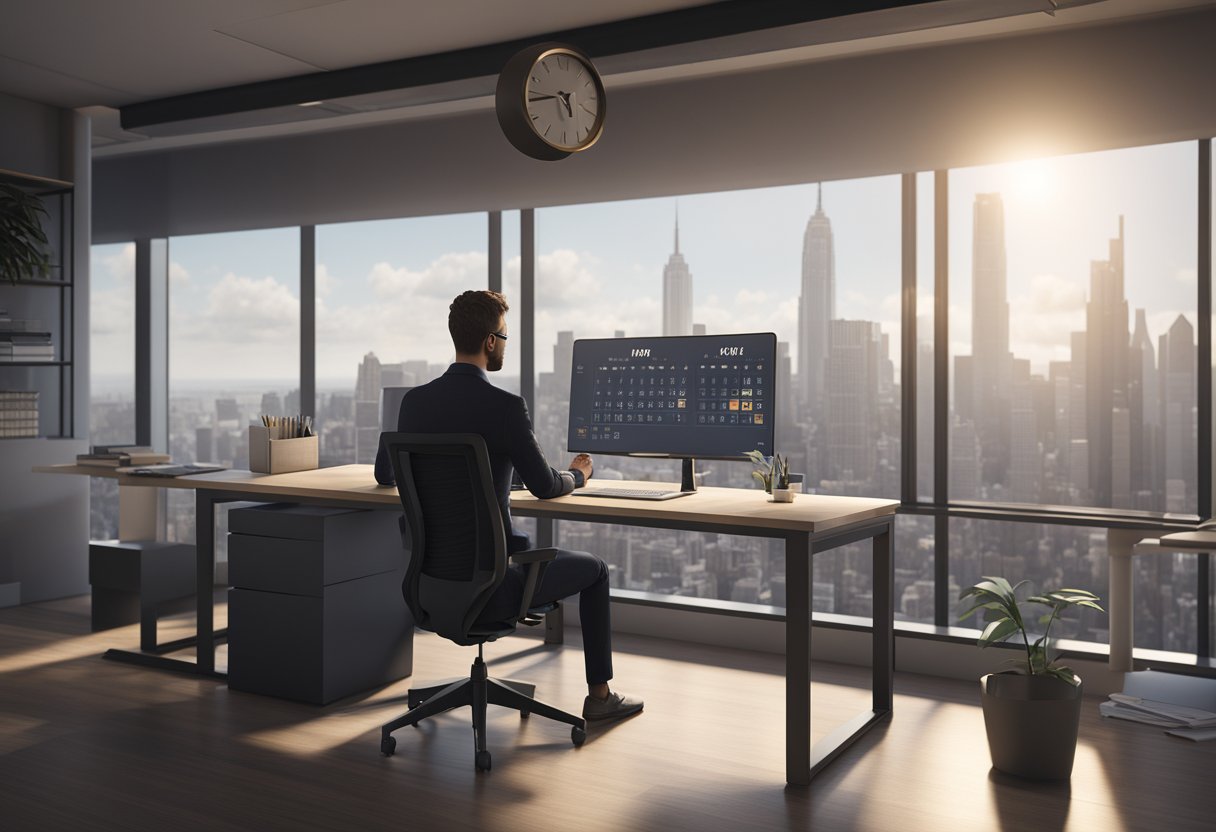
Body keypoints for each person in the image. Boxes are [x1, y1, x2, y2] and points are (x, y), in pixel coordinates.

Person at [374, 289, 643, 722]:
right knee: (595, 569)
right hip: (493, 587)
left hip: (431, 584)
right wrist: (579, 475)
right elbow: (545, 485)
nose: (504, 344)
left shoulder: (413, 402)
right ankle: (599, 698)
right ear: (490, 342)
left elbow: (386, 474)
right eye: (505, 336)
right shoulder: (504, 406)